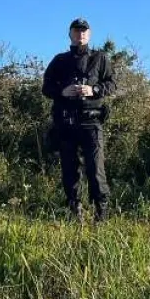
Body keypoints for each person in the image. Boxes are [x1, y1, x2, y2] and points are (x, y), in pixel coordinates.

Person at [42, 18, 116, 221]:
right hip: (66, 123)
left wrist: (94, 89)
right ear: (70, 34)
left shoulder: (100, 58)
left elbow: (112, 84)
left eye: (84, 31)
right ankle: (75, 213)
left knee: (95, 169)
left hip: (92, 122)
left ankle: (101, 215)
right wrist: (63, 91)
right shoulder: (60, 60)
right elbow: (46, 88)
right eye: (76, 31)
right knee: (69, 171)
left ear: (89, 35)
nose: (80, 34)